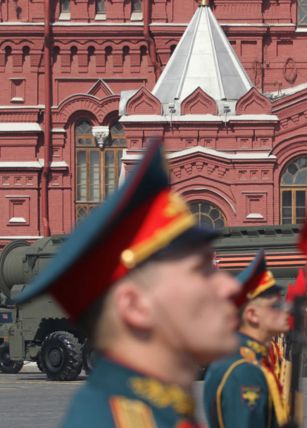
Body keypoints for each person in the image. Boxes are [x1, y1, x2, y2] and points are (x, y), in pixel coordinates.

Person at [14, 140, 240, 428]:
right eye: (199, 272)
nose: (229, 287)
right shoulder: (116, 418)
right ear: (134, 305)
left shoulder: (161, 405)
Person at [203, 250, 291, 428]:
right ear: (252, 315)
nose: (285, 311)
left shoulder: (251, 360)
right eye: (275, 306)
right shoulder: (244, 370)